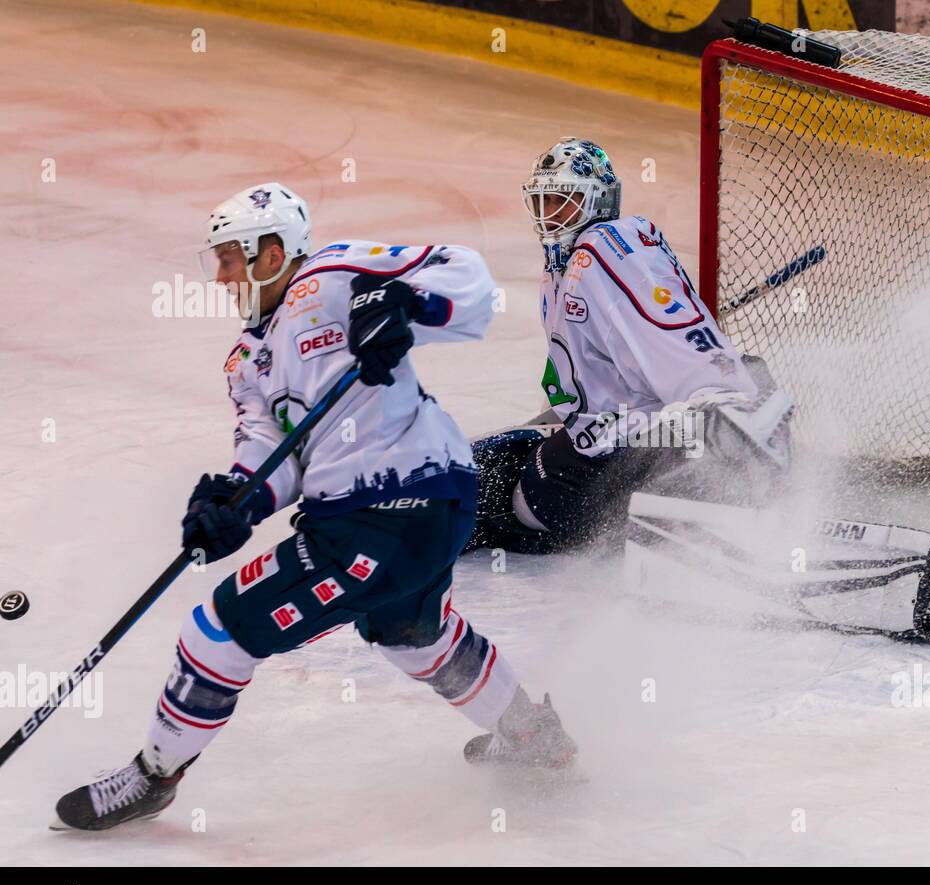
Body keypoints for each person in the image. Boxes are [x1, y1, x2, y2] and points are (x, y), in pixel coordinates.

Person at [54, 183, 575, 832]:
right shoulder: (247, 360)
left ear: (272, 254)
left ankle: (153, 775)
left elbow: (467, 277)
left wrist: (402, 301)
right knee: (413, 634)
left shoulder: (333, 273)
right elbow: (273, 453)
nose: (219, 276)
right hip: (416, 510)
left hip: (389, 509)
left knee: (217, 632)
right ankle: (532, 739)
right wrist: (234, 504)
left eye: (229, 258)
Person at [467, 138, 793, 556]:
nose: (550, 214)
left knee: (510, 489)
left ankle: (726, 461)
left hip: (642, 441)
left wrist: (719, 395)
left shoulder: (606, 245)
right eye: (543, 201)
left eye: (563, 201)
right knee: (495, 468)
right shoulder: (563, 267)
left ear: (599, 201)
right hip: (624, 431)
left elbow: (669, 330)